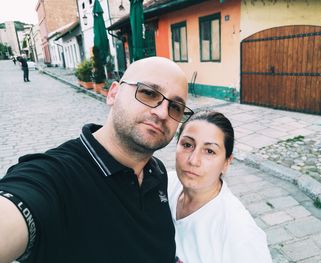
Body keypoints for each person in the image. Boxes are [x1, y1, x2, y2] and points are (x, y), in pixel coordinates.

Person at [0, 56, 193, 263]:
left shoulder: (157, 172)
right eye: (148, 93)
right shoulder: (57, 176)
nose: (163, 112)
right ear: (113, 93)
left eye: (175, 107)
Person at [168, 111, 272, 263]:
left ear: (226, 162)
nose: (193, 160)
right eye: (187, 145)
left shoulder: (239, 232)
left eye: (209, 151)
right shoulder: (166, 185)